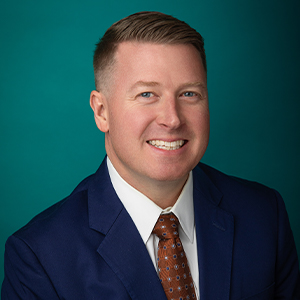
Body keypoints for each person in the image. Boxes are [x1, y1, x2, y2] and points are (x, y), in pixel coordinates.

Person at [1, 11, 300, 300]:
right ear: (101, 112)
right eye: (147, 94)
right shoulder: (39, 256)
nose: (172, 119)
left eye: (189, 94)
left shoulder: (264, 215)